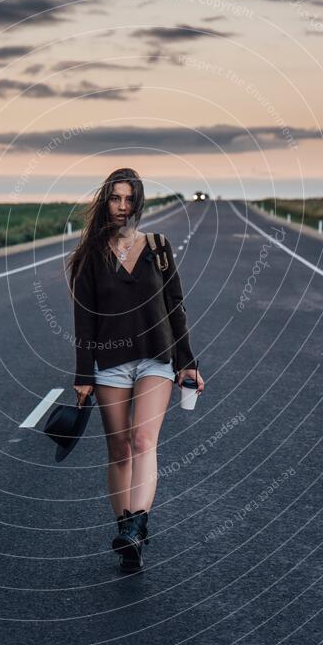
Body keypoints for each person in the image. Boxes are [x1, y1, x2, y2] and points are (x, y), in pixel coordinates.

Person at [66, 167, 204, 572]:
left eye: (129, 199)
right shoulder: (92, 256)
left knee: (144, 441)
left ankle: (136, 528)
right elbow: (84, 318)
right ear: (105, 201)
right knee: (119, 448)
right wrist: (83, 374)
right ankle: (126, 527)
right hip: (109, 364)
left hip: (155, 359)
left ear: (139, 203)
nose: (122, 206)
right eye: (115, 198)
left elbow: (176, 309)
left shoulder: (158, 247)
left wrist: (188, 363)